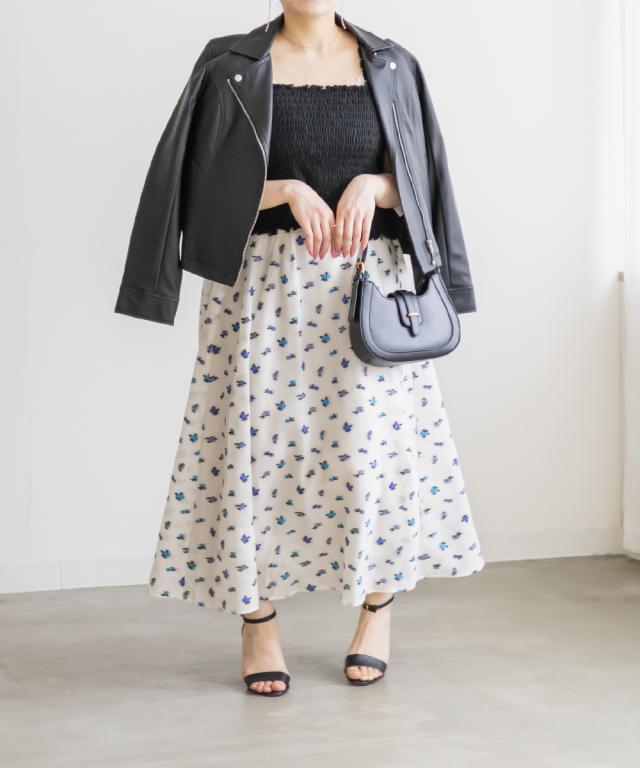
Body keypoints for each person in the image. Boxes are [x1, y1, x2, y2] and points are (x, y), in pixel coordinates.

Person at [117, 0, 485, 697]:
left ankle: (377, 611)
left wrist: (376, 186)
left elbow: (427, 180)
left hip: (367, 292)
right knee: (253, 458)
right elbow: (188, 186)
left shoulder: (392, 65)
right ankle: (258, 623)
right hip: (258, 294)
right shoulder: (230, 64)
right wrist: (281, 190)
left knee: (370, 459)